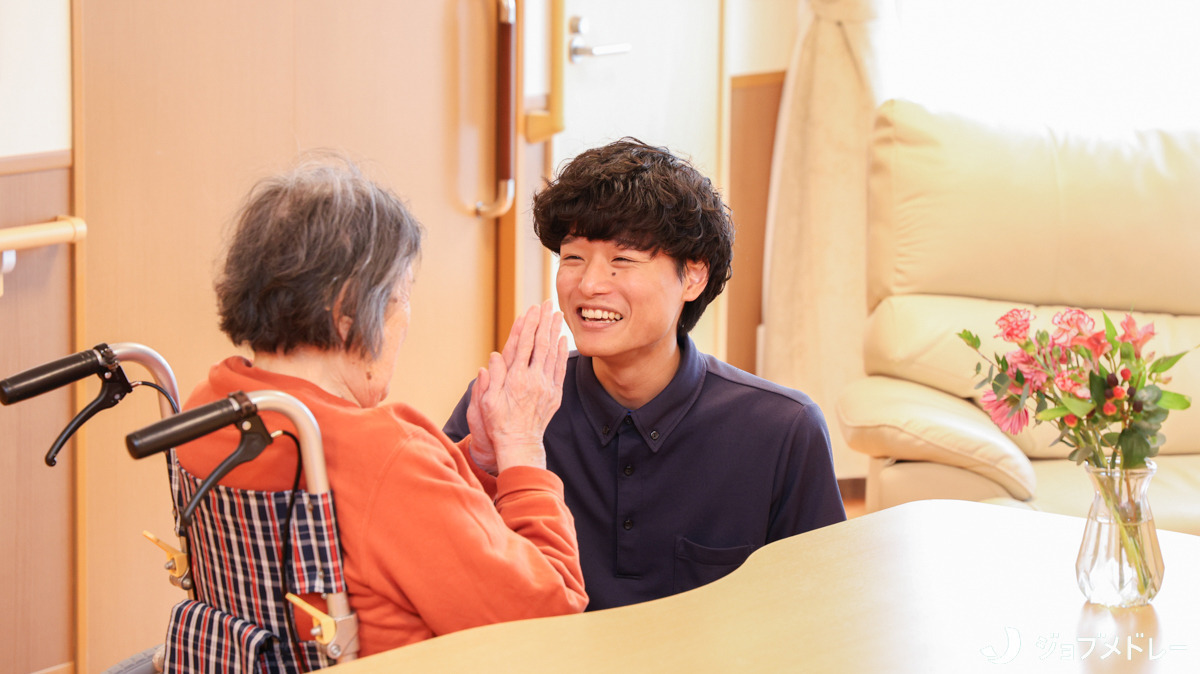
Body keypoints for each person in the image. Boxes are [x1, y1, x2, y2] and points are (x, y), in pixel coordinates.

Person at [177, 152, 586, 657]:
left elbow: (388, 524)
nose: (406, 320)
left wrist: (477, 458)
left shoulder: (210, 408)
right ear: (349, 312)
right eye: (402, 295)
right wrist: (523, 446)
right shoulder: (383, 457)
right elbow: (550, 623)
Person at [444, 138, 845, 611]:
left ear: (693, 277)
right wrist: (489, 460)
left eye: (623, 260)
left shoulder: (782, 430)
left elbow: (819, 614)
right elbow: (437, 566)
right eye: (572, 257)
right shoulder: (511, 406)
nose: (588, 284)